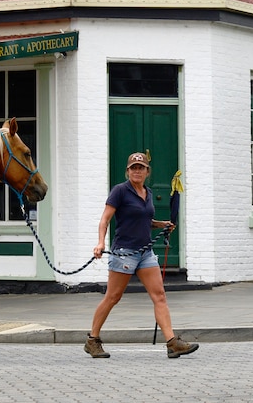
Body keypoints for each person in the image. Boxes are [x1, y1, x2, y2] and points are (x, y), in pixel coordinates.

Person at [85, 152, 199, 359]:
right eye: (133, 168)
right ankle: (92, 340)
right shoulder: (120, 191)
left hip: (145, 252)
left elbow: (144, 220)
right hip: (124, 252)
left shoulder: (147, 192)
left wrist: (161, 224)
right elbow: (105, 220)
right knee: (113, 297)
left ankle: (172, 342)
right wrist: (101, 242)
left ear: (147, 171)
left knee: (160, 295)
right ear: (128, 171)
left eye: (141, 168)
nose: (137, 171)